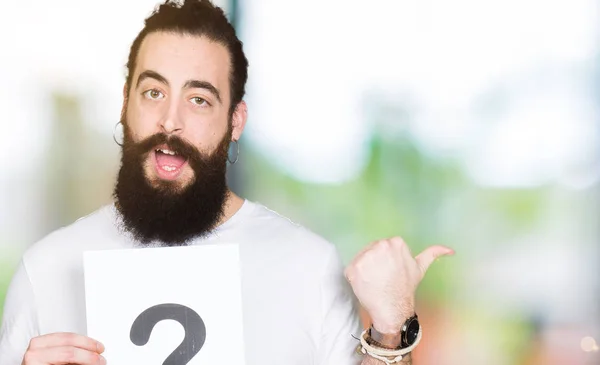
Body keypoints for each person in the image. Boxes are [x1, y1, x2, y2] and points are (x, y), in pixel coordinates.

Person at [0, 1, 453, 364]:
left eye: (199, 100)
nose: (169, 121)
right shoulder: (46, 269)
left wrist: (392, 326)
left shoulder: (308, 268)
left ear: (235, 121)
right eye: (153, 92)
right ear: (125, 103)